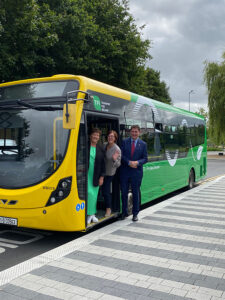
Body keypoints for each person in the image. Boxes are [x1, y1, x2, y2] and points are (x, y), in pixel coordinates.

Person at [120, 125, 148, 221]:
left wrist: (137, 162)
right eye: (132, 131)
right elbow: (121, 155)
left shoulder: (143, 144)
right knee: (124, 193)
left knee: (135, 193)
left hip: (136, 173)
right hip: (125, 172)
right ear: (130, 132)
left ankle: (135, 214)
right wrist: (128, 162)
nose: (134, 133)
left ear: (139, 133)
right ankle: (124, 212)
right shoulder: (124, 142)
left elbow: (145, 158)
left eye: (136, 132)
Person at [87, 128, 105, 224]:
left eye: (97, 135)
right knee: (88, 193)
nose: (95, 137)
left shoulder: (101, 148)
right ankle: (88, 214)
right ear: (90, 136)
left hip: (96, 175)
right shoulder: (85, 146)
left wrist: (102, 177)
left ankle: (92, 215)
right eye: (94, 134)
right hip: (86, 174)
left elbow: (103, 164)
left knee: (93, 195)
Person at [102, 130, 121, 217]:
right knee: (101, 191)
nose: (110, 138)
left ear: (115, 138)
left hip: (110, 173)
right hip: (102, 171)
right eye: (109, 136)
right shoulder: (104, 145)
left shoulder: (117, 149)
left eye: (112, 136)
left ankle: (108, 209)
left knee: (106, 191)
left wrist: (114, 159)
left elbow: (118, 164)